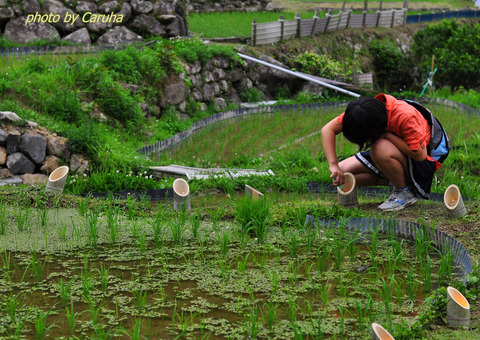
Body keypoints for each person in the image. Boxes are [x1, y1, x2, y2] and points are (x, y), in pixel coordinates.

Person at [321, 93, 447, 211]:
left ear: (372, 129)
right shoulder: (363, 114)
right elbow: (327, 130)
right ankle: (395, 179)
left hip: (423, 161)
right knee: (343, 172)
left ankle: (404, 192)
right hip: (394, 151)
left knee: (379, 149)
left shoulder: (405, 116)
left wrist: (387, 136)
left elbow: (420, 155)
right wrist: (333, 165)